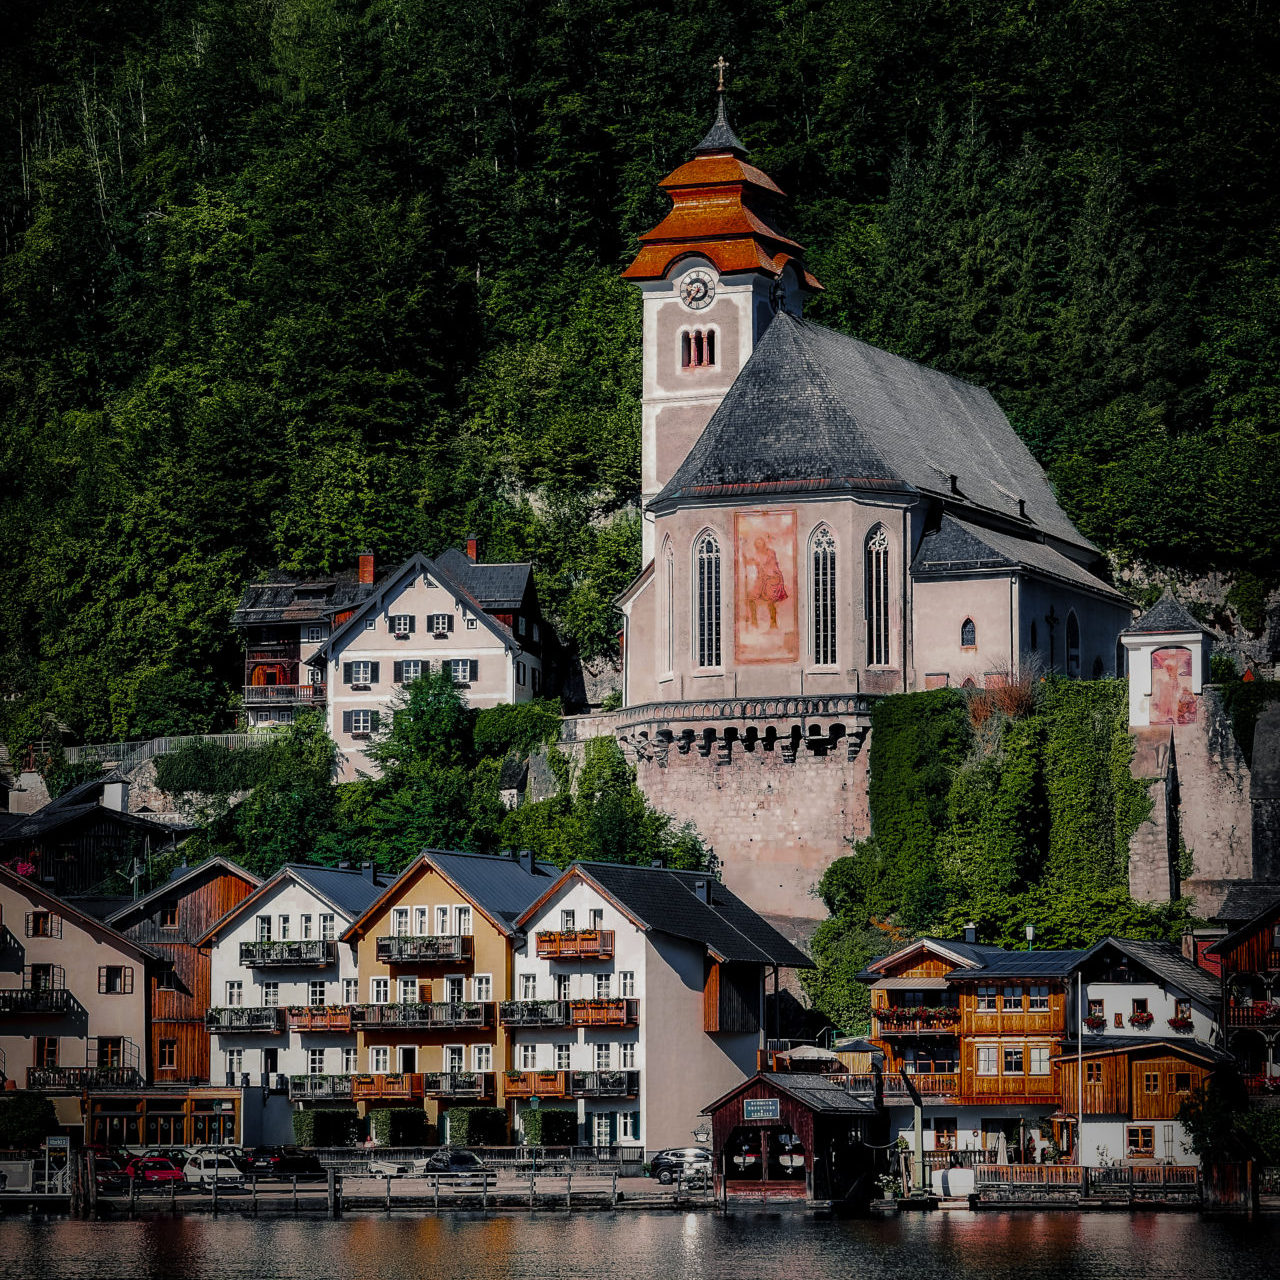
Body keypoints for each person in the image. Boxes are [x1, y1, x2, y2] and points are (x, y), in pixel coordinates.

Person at [742, 536, 788, 630]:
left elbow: (767, 563)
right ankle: (754, 622)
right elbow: (750, 562)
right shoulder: (757, 554)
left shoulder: (770, 553)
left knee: (770, 601)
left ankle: (773, 624)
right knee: (751, 598)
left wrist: (754, 561)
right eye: (757, 543)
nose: (759, 545)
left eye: (760, 542)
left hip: (772, 579)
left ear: (764, 543)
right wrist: (744, 557)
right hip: (761, 580)